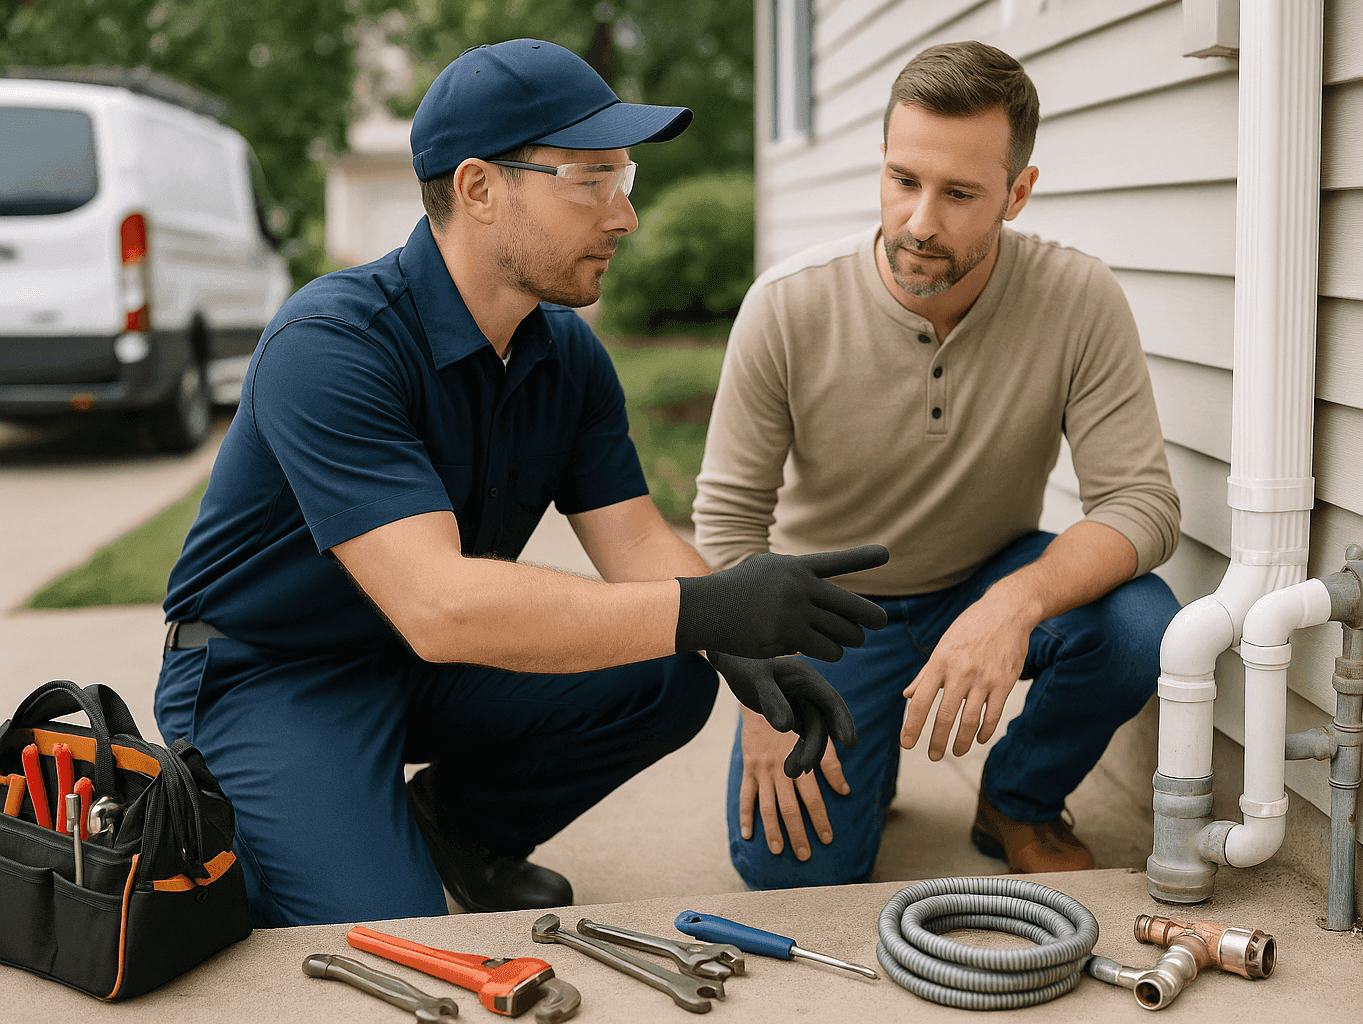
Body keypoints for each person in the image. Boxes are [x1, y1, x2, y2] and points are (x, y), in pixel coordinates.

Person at [154, 39, 887, 927]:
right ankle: (280, 829)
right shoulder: (331, 344)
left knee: (669, 674)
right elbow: (438, 604)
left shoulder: (564, 352)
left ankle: (458, 830)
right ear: (478, 189)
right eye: (589, 179)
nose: (625, 217)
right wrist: (705, 610)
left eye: (627, 179)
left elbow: (636, 545)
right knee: (393, 934)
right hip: (272, 671)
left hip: (421, 665)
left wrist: (742, 640)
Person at [693, 40, 1183, 889]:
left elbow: (1141, 503)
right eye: (902, 180)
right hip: (826, 614)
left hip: (983, 576)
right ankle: (868, 760)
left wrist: (1011, 605)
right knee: (790, 878)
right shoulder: (787, 306)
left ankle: (1020, 799)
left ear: (1017, 194)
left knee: (1138, 625)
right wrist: (764, 690)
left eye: (959, 194)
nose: (921, 220)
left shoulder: (1078, 298)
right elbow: (729, 527)